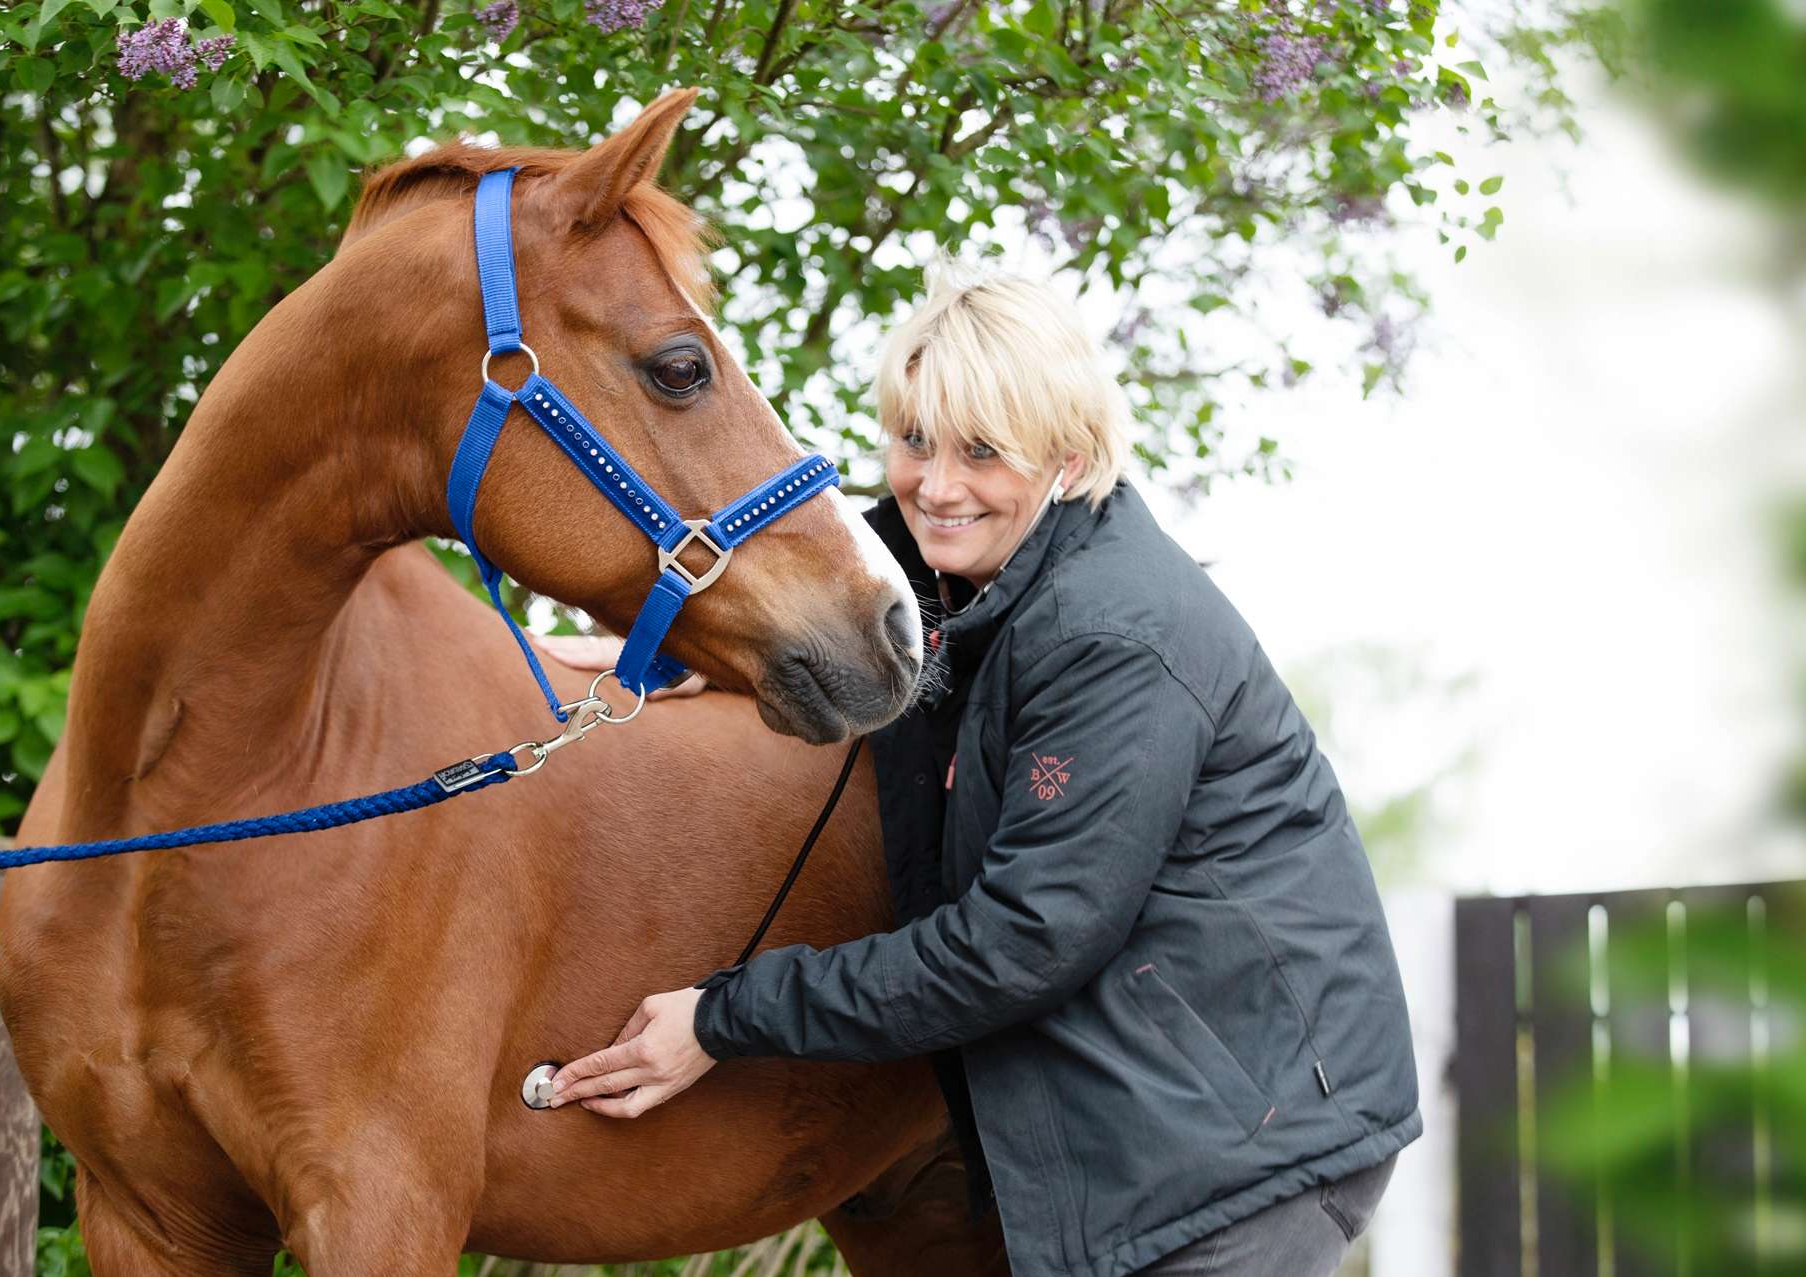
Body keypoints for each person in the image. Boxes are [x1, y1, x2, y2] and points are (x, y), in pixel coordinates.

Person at [539, 267, 1420, 1277]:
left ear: (1067, 457)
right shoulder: (944, 566)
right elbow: (813, 608)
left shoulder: (1113, 634)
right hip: (1135, 1101)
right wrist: (692, 656)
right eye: (915, 441)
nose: (937, 484)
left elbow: (1021, 939)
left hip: (1242, 1138)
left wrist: (720, 1014)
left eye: (983, 453)